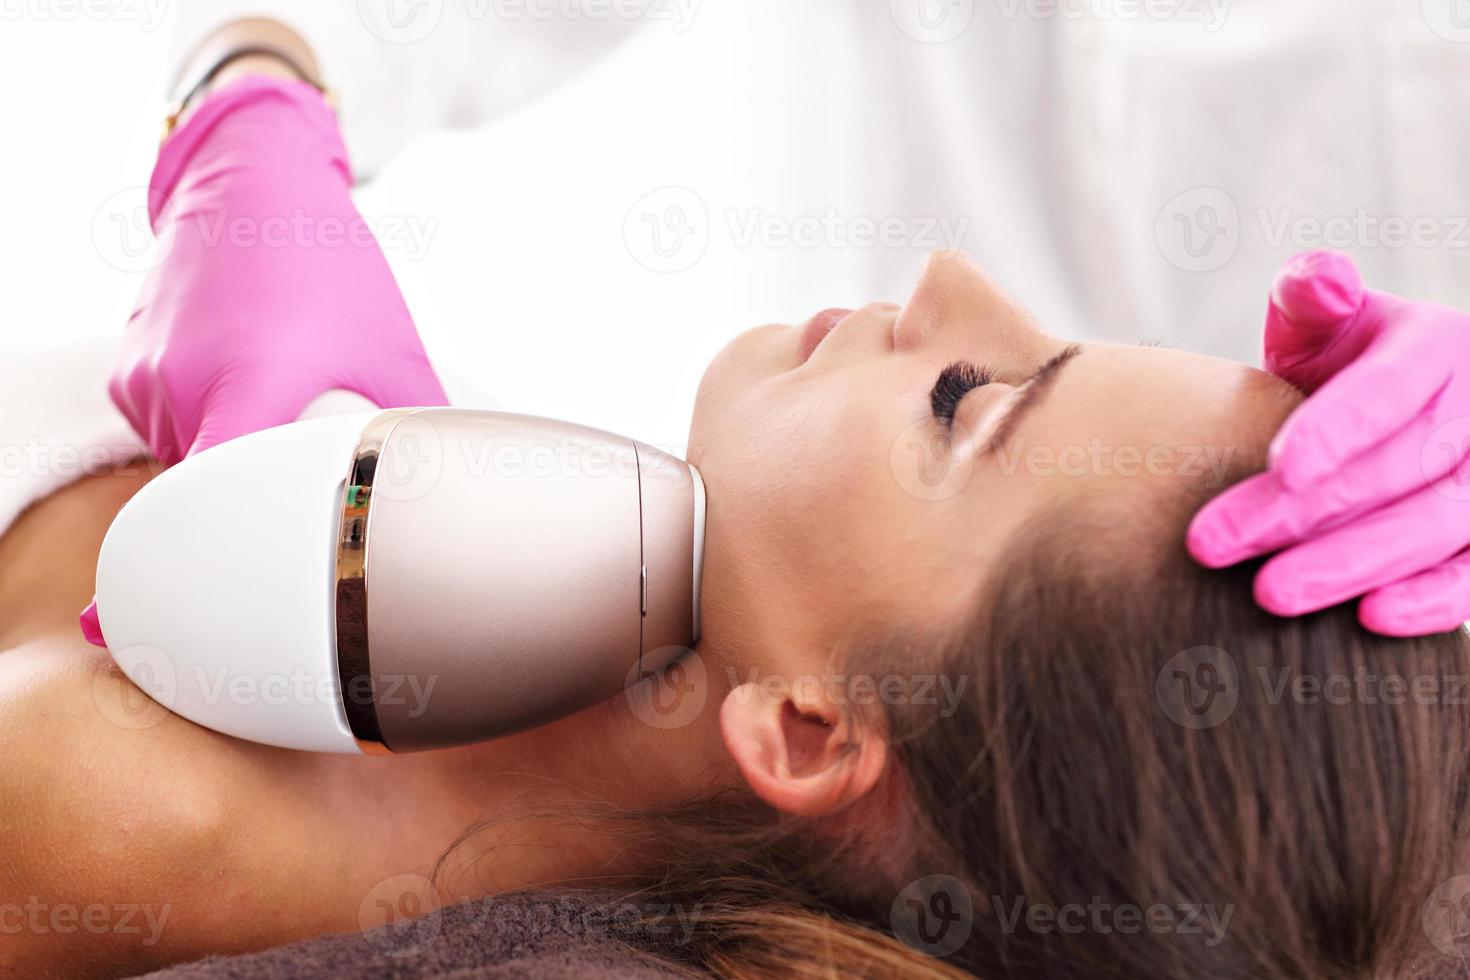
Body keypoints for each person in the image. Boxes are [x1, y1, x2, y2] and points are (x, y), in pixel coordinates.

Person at [4, 244, 1469, 978]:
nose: (950, 277)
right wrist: (259, 98)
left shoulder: (125, 798)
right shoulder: (600, 546)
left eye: (968, 403)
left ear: (812, 730)